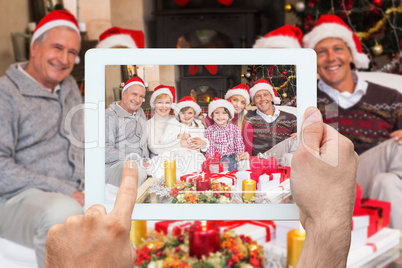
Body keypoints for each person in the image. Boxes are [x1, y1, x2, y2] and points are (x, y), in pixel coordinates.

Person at [45, 107, 358, 267]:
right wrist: (329, 225)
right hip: (184, 156)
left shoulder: (231, 127)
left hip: (225, 158)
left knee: (213, 161)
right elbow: (159, 143)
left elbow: (219, 144)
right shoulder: (153, 123)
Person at [0, 10, 84, 268]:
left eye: (72, 52)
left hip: (74, 189)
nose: (64, 58)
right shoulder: (6, 93)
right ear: (34, 47)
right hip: (15, 199)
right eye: (57, 47)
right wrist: (66, 191)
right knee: (63, 214)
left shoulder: (69, 85)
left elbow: (80, 141)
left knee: (132, 190)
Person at [303, 14, 402, 230]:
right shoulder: (307, 99)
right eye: (321, 51)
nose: (330, 57)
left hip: (371, 176)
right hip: (332, 177)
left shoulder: (390, 97)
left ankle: (392, 258)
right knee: (397, 147)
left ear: (350, 54)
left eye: (338, 49)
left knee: (387, 182)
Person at [105, 76, 149, 188]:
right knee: (134, 169)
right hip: (115, 167)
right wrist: (136, 160)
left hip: (142, 164)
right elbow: (105, 151)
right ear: (123, 94)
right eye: (134, 94)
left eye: (141, 96)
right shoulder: (109, 115)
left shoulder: (139, 112)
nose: (138, 100)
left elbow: (144, 142)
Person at [242, 78, 297, 156]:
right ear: (254, 100)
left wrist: (299, 134)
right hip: (261, 157)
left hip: (282, 156)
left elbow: (303, 136)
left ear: (272, 97)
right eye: (258, 96)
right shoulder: (247, 116)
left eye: (265, 95)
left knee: (296, 140)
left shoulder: (290, 118)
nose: (262, 99)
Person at [205, 98, 249, 171]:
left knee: (232, 166)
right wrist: (210, 159)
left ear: (229, 116)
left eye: (224, 113)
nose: (220, 116)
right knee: (216, 171)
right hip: (217, 159)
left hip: (231, 157)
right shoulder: (210, 130)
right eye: (216, 113)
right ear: (212, 115)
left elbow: (238, 145)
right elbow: (210, 147)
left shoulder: (235, 129)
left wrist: (240, 155)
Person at [147, 84, 181, 157]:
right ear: (153, 104)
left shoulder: (177, 120)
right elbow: (154, 148)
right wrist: (179, 144)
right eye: (160, 102)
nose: (164, 106)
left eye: (167, 102)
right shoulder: (149, 124)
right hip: (158, 160)